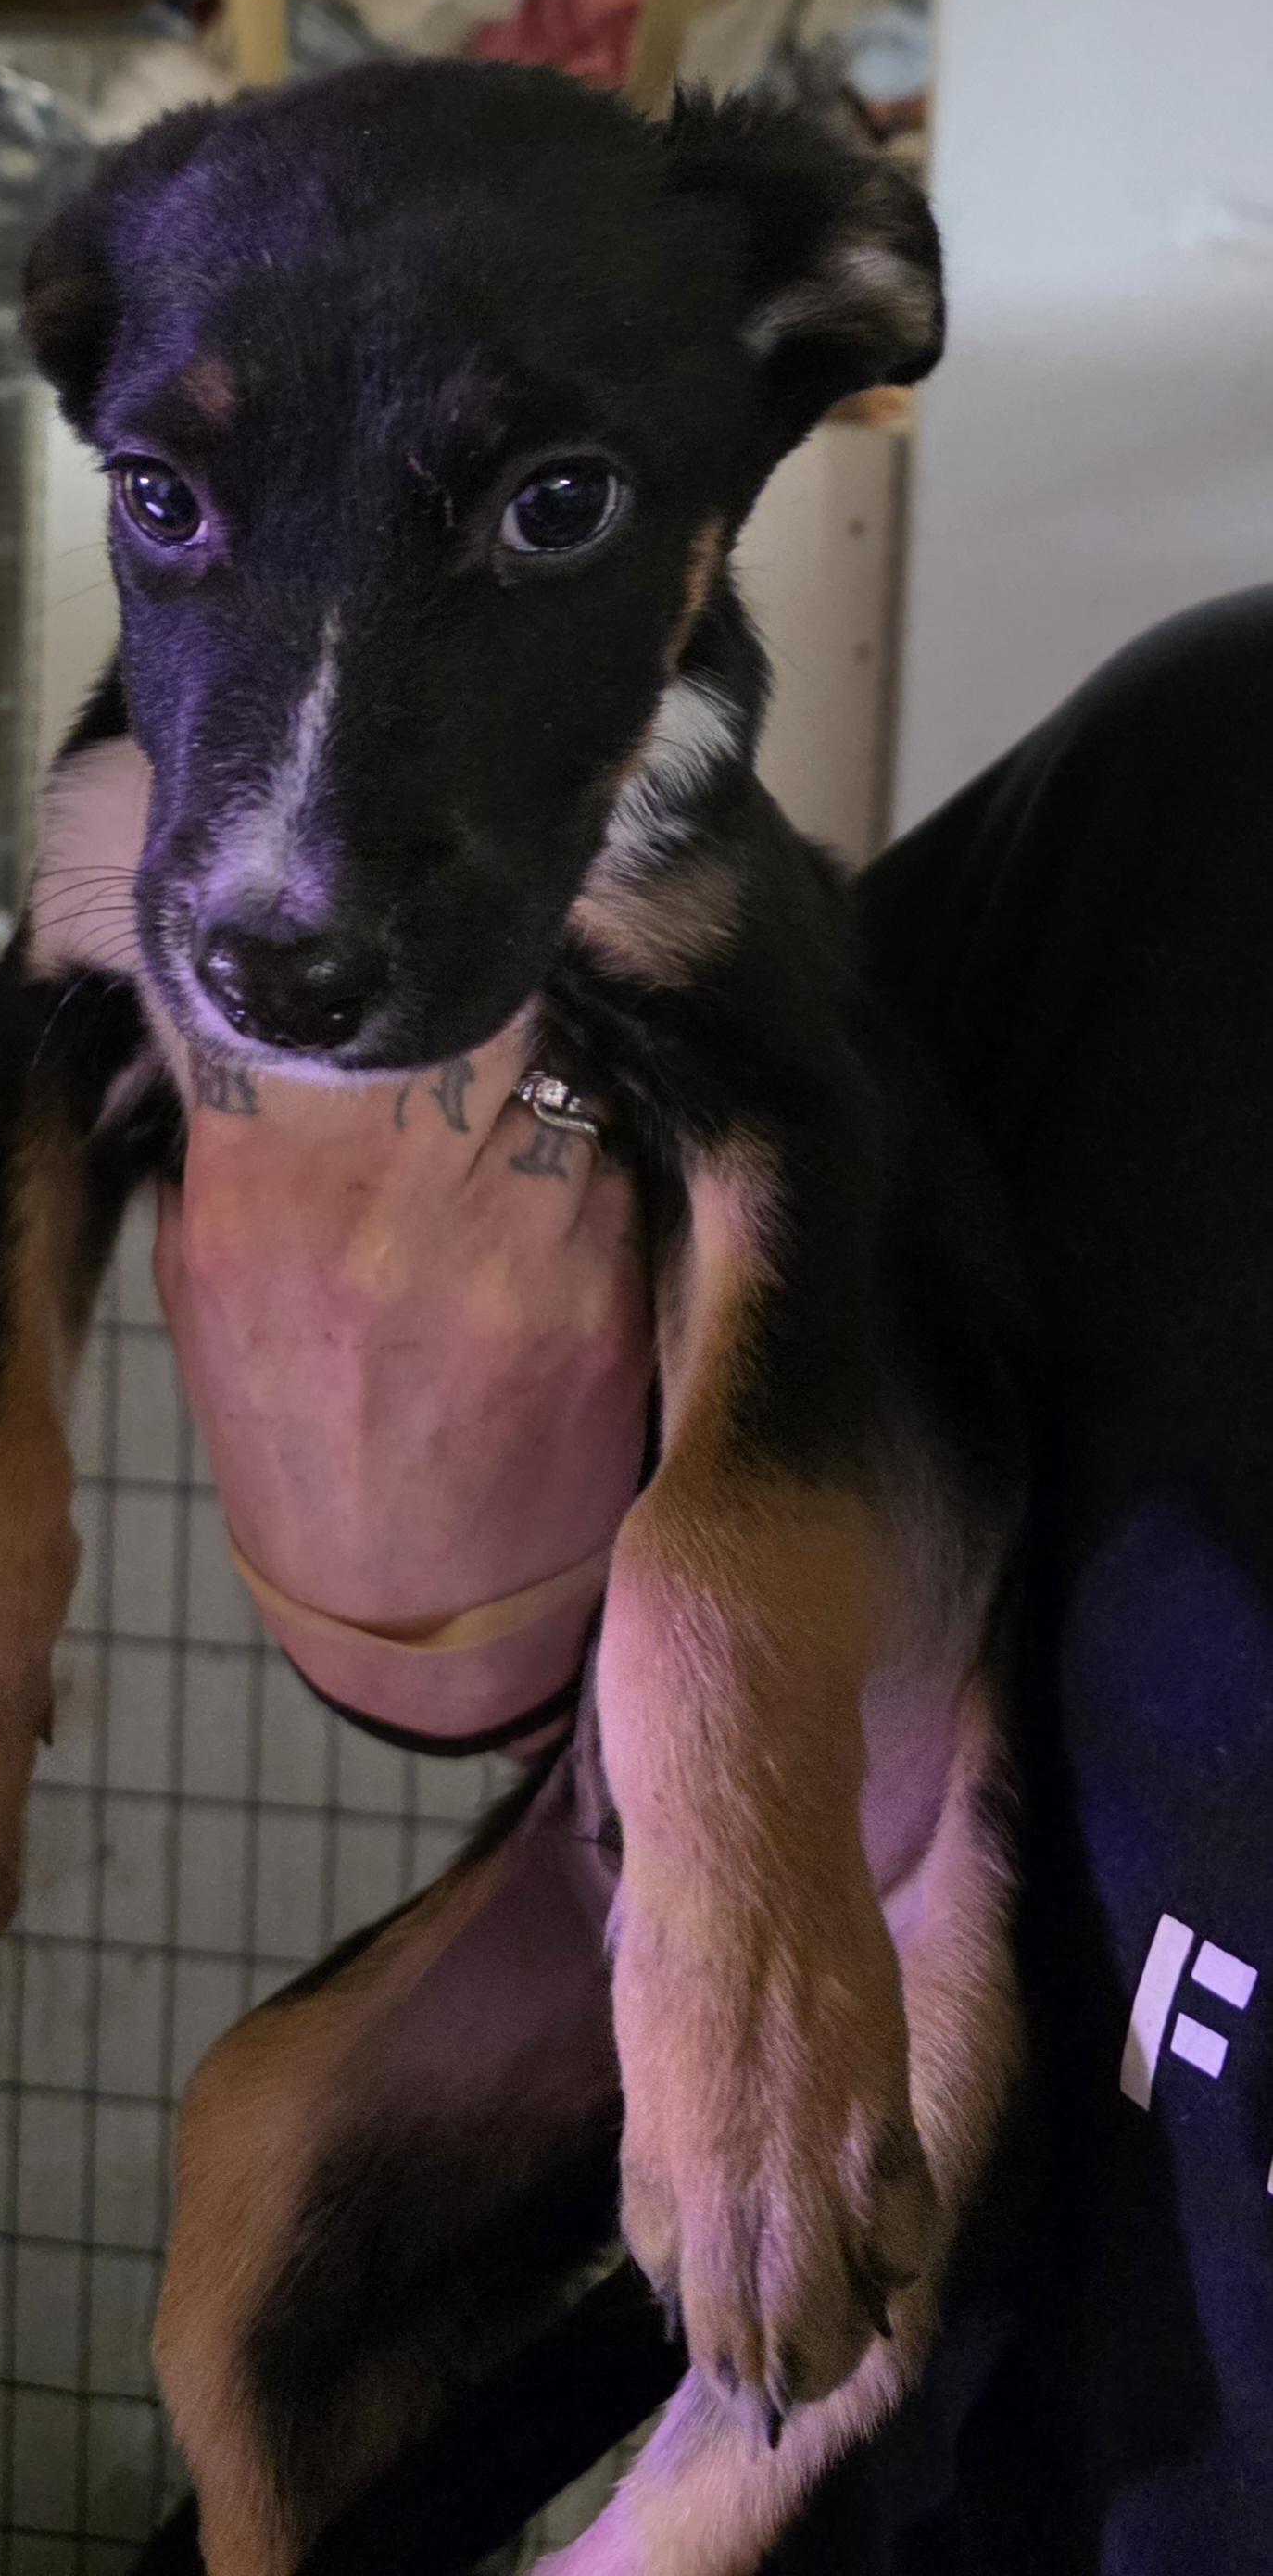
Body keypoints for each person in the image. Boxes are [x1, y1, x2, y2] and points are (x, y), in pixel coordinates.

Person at [153, 588, 1273, 2572]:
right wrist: (515, 1226)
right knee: (252, 2187)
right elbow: (745, 1119)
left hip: (890, 2204)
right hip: (760, 2091)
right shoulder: (1197, 774)